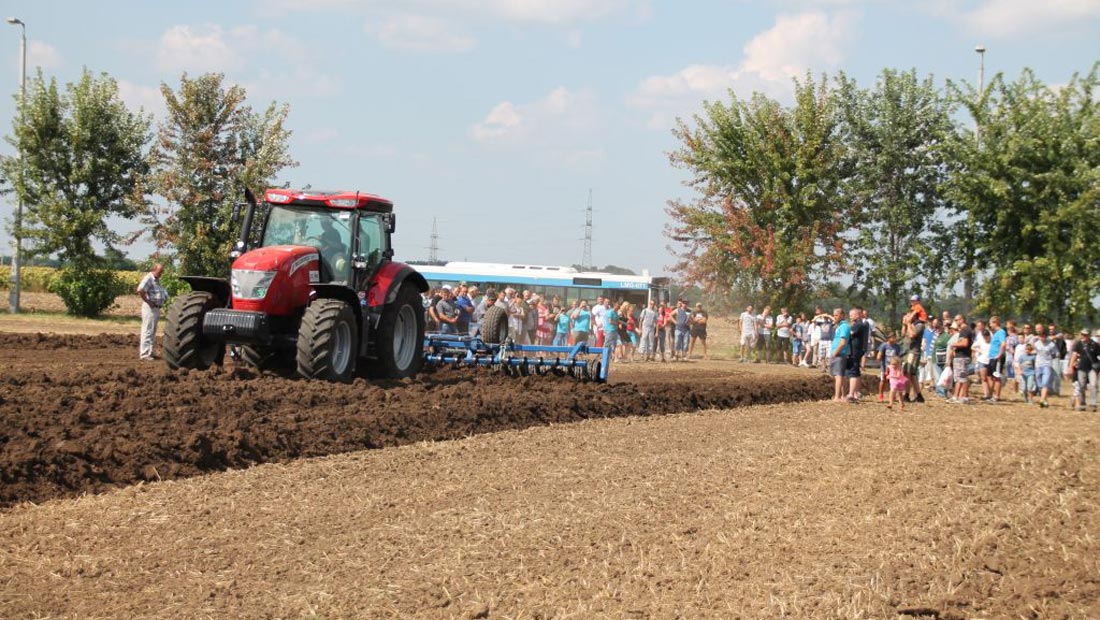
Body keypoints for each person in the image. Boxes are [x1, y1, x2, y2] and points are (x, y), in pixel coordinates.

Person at [137, 263, 168, 360]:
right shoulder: (149, 278)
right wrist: (148, 301)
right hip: (150, 308)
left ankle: (150, 352)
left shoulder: (156, 280)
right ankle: (144, 354)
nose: (161, 273)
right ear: (154, 270)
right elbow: (140, 290)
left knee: (152, 331)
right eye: (160, 271)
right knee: (148, 330)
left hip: (156, 308)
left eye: (162, 271)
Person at [1067, 327, 1100, 412]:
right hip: (1081, 368)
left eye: (1085, 335)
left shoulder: (1095, 345)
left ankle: (1093, 404)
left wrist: (1098, 367)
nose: (1083, 336)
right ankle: (1082, 403)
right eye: (1082, 334)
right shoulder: (1079, 344)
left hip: (1092, 368)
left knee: (1093, 385)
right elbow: (1074, 355)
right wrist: (1070, 367)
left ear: (1089, 335)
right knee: (1081, 386)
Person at [950, 314, 973, 404]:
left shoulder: (965, 330)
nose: (955, 322)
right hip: (961, 357)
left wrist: (954, 344)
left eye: (956, 320)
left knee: (962, 377)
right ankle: (956, 396)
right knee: (959, 378)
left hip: (962, 357)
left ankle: (963, 397)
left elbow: (965, 343)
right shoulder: (964, 330)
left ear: (962, 320)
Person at [829, 307, 850, 402]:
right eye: (834, 315)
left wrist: (835, 353)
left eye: (836, 315)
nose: (834, 317)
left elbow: (843, 342)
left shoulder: (844, 326)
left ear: (842, 315)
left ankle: (837, 397)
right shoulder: (839, 326)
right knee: (840, 375)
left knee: (838, 376)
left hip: (839, 354)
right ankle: (842, 396)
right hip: (838, 354)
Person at [876, 332, 902, 403]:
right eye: (892, 337)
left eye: (894, 337)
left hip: (894, 368)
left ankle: (893, 396)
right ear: (888, 338)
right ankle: (881, 395)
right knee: (883, 381)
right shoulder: (884, 345)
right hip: (885, 366)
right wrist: (879, 358)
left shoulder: (897, 347)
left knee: (894, 382)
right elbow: (879, 355)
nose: (893, 339)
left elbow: (898, 357)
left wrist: (898, 366)